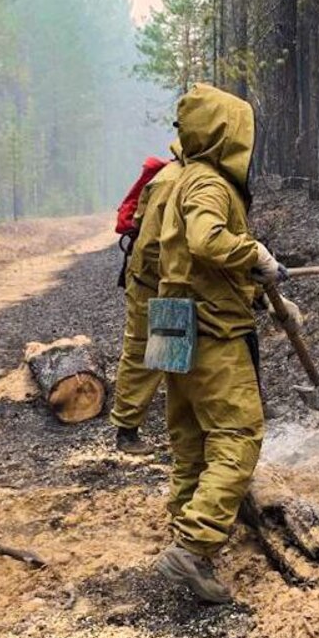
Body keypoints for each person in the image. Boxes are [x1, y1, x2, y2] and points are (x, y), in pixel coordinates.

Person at [153, 83, 297, 603]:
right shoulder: (211, 185)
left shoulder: (179, 180)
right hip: (209, 327)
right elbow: (207, 242)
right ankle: (193, 548)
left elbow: (174, 259)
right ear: (223, 134)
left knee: (191, 437)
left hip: (171, 318)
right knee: (238, 433)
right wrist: (255, 253)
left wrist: (256, 294)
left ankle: (184, 525)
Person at [111, 143, 184, 455]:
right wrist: (174, 281)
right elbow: (153, 245)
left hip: (163, 280)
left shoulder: (185, 175)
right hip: (151, 280)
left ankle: (179, 429)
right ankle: (126, 431)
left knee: (170, 349)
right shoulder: (171, 179)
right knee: (143, 351)